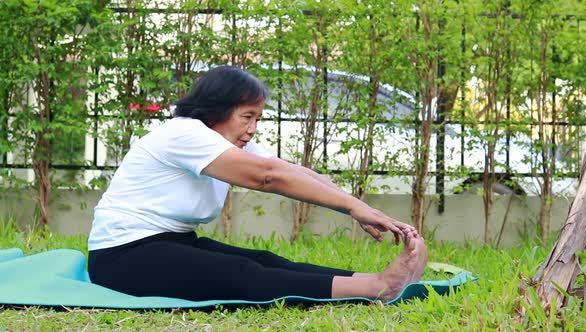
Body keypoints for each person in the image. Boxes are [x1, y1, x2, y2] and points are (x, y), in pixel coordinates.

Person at [87, 65, 428, 303]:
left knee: (266, 260)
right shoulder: (184, 134)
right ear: (216, 110)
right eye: (246, 117)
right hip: (123, 258)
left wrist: (362, 207)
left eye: (257, 119)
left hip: (168, 243)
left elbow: (290, 170)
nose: (252, 129)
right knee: (238, 272)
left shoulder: (225, 139)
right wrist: (353, 208)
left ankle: (372, 279)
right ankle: (376, 287)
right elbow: (266, 178)